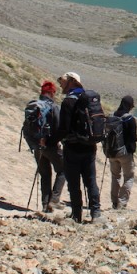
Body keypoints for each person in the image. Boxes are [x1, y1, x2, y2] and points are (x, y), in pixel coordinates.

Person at [56, 73, 102, 223]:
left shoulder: (68, 101)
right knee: (91, 180)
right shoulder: (88, 99)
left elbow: (64, 128)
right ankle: (96, 213)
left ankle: (77, 215)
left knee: (74, 182)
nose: (61, 85)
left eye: (62, 82)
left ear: (72, 82)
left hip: (72, 147)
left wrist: (52, 140)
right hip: (89, 146)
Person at [24, 80, 65, 212]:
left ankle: (45, 204)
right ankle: (54, 199)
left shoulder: (33, 106)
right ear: (51, 92)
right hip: (50, 145)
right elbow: (59, 127)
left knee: (45, 175)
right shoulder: (53, 107)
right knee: (63, 170)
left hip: (36, 145)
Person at [107, 95, 137, 210]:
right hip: (125, 153)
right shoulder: (129, 119)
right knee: (128, 177)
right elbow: (133, 137)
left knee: (115, 177)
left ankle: (114, 202)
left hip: (112, 152)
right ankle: (122, 203)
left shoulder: (112, 116)